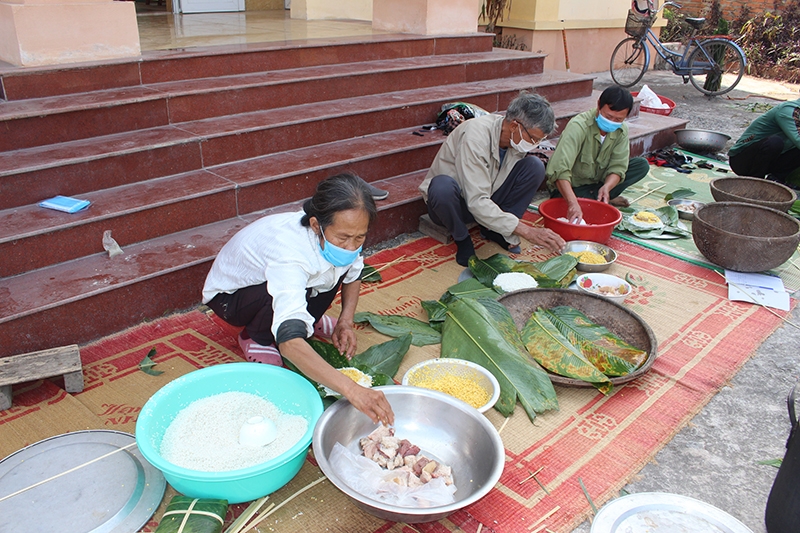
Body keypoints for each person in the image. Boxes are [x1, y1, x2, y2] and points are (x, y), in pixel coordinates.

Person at [202, 173, 394, 425]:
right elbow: (290, 344)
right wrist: (352, 390)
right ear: (316, 226)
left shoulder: (343, 242)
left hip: (293, 284)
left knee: (333, 269)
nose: (351, 246)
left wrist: (345, 322)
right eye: (343, 238)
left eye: (360, 237)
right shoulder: (289, 253)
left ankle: (305, 318)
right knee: (284, 300)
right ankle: (255, 337)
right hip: (233, 297)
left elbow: (352, 274)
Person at [419, 90, 567, 266]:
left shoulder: (515, 137)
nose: (535, 144)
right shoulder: (476, 136)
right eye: (533, 138)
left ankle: (495, 230)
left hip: (487, 196)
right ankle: (462, 238)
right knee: (441, 187)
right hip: (455, 204)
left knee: (534, 166)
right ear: (514, 126)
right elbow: (476, 200)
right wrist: (526, 231)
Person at [545, 85, 650, 224]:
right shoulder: (578, 126)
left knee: (641, 165)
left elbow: (618, 167)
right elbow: (559, 171)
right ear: (599, 105)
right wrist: (572, 203)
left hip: (598, 184)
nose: (612, 122)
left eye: (618, 119)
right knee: (564, 197)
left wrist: (607, 187)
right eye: (608, 116)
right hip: (572, 189)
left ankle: (602, 196)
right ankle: (597, 200)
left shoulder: (621, 130)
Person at [728, 98, 800, 185]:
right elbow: (798, 139)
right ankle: (756, 180)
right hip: (743, 161)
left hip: (771, 161)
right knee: (775, 142)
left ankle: (776, 179)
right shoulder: (788, 110)